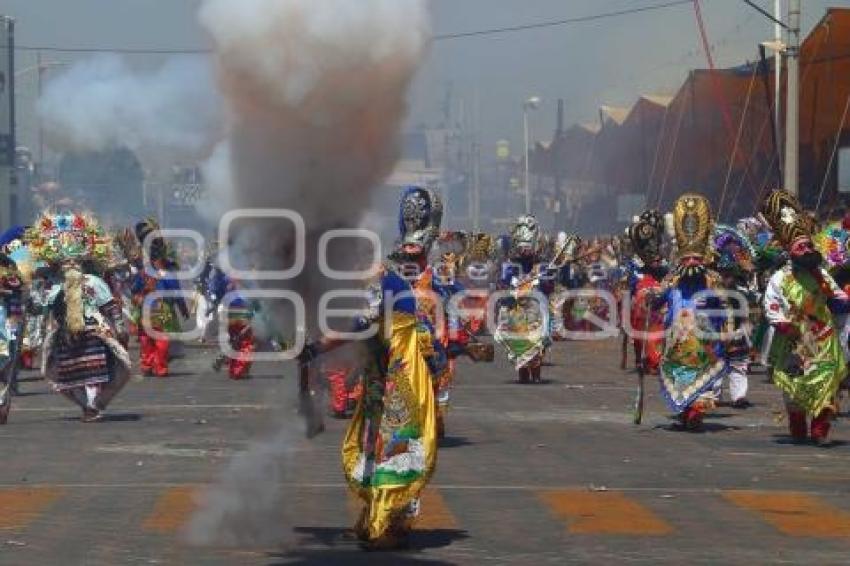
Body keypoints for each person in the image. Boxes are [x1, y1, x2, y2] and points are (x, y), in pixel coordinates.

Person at [761, 190, 849, 445]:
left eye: (810, 245)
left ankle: (820, 429)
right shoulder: (781, 278)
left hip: (823, 339)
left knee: (828, 383)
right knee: (796, 388)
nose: (808, 249)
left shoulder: (821, 274)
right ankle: (798, 425)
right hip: (795, 342)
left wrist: (842, 300)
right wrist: (785, 325)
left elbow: (838, 298)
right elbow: (772, 306)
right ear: (790, 251)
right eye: (802, 247)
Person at [24, 212, 131, 423]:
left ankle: (91, 405)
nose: (70, 265)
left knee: (88, 375)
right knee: (78, 375)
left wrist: (120, 328)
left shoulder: (81, 283)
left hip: (88, 334)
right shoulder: (65, 285)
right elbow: (42, 310)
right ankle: (91, 405)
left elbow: (111, 307)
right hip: (71, 336)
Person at [657, 194, 731, 430]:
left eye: (695, 258)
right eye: (686, 258)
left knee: (702, 381)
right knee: (680, 379)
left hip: (705, 343)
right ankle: (685, 410)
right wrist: (653, 298)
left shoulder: (713, 280)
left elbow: (726, 308)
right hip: (677, 343)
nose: (691, 263)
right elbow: (658, 302)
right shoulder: (672, 280)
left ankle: (695, 413)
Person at [129, 219, 188, 378]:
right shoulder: (165, 273)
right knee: (160, 341)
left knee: (146, 340)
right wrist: (183, 308)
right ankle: (159, 366)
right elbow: (175, 292)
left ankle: (147, 365)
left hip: (145, 312)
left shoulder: (144, 273)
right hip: (160, 313)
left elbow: (134, 289)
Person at [711, 224, 758, 408]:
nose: (726, 277)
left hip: (737, 334)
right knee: (715, 367)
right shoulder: (711, 292)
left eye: (729, 274)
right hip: (716, 335)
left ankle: (739, 396)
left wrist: (746, 329)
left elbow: (747, 312)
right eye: (723, 273)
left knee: (739, 366)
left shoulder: (741, 291)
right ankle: (713, 396)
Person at [625, 210, 668, 374]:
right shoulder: (636, 250)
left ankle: (656, 358)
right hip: (640, 287)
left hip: (658, 287)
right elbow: (633, 273)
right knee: (638, 324)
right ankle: (640, 358)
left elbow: (665, 268)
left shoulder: (663, 247)